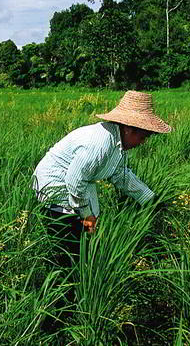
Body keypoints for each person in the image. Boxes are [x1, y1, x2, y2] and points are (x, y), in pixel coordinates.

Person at [32, 90, 172, 269]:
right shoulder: (101, 142)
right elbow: (75, 180)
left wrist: (151, 199)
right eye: (142, 137)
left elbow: (121, 175)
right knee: (69, 245)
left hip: (77, 186)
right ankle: (67, 280)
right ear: (129, 129)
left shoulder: (117, 144)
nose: (143, 142)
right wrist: (86, 214)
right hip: (55, 186)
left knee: (85, 238)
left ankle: (82, 269)